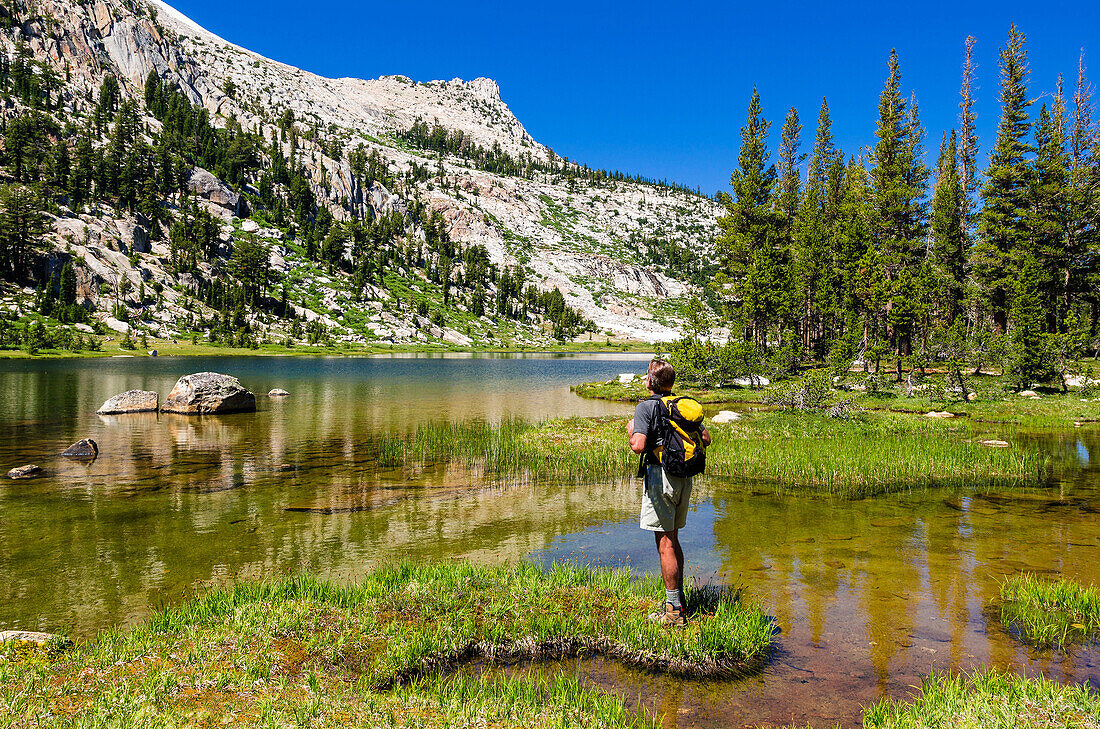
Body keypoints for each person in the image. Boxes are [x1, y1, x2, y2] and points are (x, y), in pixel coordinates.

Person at [626, 358, 710, 627]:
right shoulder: (680, 405)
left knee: (664, 544)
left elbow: (638, 446)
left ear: (650, 382)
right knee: (672, 539)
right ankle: (679, 600)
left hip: (661, 477)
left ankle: (673, 612)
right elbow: (705, 439)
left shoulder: (646, 407)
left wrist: (631, 432)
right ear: (671, 383)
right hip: (684, 478)